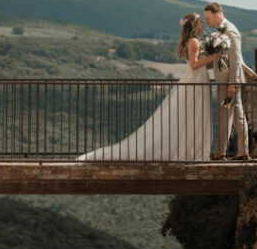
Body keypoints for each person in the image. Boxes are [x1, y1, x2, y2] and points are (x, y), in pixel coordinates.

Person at [77, 13, 215, 161]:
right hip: (195, 82)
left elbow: (201, 64)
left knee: (194, 117)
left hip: (199, 81)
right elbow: (194, 65)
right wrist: (214, 57)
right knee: (192, 117)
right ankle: (191, 152)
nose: (204, 24)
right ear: (195, 25)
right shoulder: (193, 41)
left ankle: (192, 151)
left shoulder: (195, 40)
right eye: (201, 21)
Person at [204, 2, 253, 161]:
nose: (207, 22)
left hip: (228, 84)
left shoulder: (230, 32)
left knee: (225, 116)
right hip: (226, 83)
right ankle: (243, 152)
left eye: (208, 18)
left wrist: (232, 84)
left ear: (217, 16)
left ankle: (220, 153)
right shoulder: (221, 31)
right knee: (238, 116)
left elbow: (236, 60)